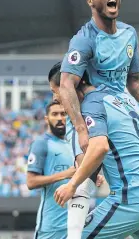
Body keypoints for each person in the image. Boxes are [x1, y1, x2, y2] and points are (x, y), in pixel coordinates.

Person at [54, 73, 139, 238]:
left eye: (57, 91)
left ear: (73, 85)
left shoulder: (90, 106)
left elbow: (98, 150)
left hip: (131, 198)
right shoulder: (123, 99)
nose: (55, 98)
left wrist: (72, 185)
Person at [59, 0, 139, 152]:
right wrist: (80, 128)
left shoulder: (129, 33)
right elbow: (66, 85)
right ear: (90, 1)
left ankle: (138, 165)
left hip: (121, 102)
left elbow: (134, 80)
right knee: (96, 160)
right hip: (96, 108)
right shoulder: (84, 39)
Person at [27, 101, 98, 239]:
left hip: (75, 223)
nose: (60, 118)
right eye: (55, 114)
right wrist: (65, 174)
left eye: (63, 114)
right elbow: (31, 182)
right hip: (51, 228)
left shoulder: (73, 143)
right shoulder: (41, 143)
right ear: (47, 119)